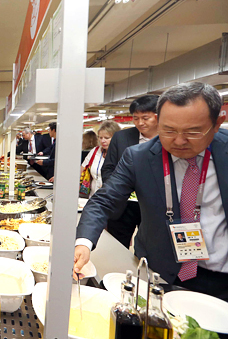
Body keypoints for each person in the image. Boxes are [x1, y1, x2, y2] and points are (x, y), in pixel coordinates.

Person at [75, 82, 228, 302]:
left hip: (222, 278)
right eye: (169, 130)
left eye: (192, 132)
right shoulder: (138, 157)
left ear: (216, 124)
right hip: (161, 274)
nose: (178, 140)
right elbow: (103, 201)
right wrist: (84, 242)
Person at [101, 94, 159, 248]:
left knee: (150, 247)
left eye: (145, 118)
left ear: (158, 116)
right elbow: (108, 168)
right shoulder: (122, 138)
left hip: (154, 207)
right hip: (123, 206)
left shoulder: (169, 138)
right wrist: (117, 189)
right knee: (116, 247)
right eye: (136, 118)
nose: (140, 123)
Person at [80, 121, 121, 197]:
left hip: (112, 199)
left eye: (107, 138)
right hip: (92, 198)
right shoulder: (95, 151)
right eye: (100, 137)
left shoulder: (123, 154)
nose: (102, 141)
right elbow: (82, 170)